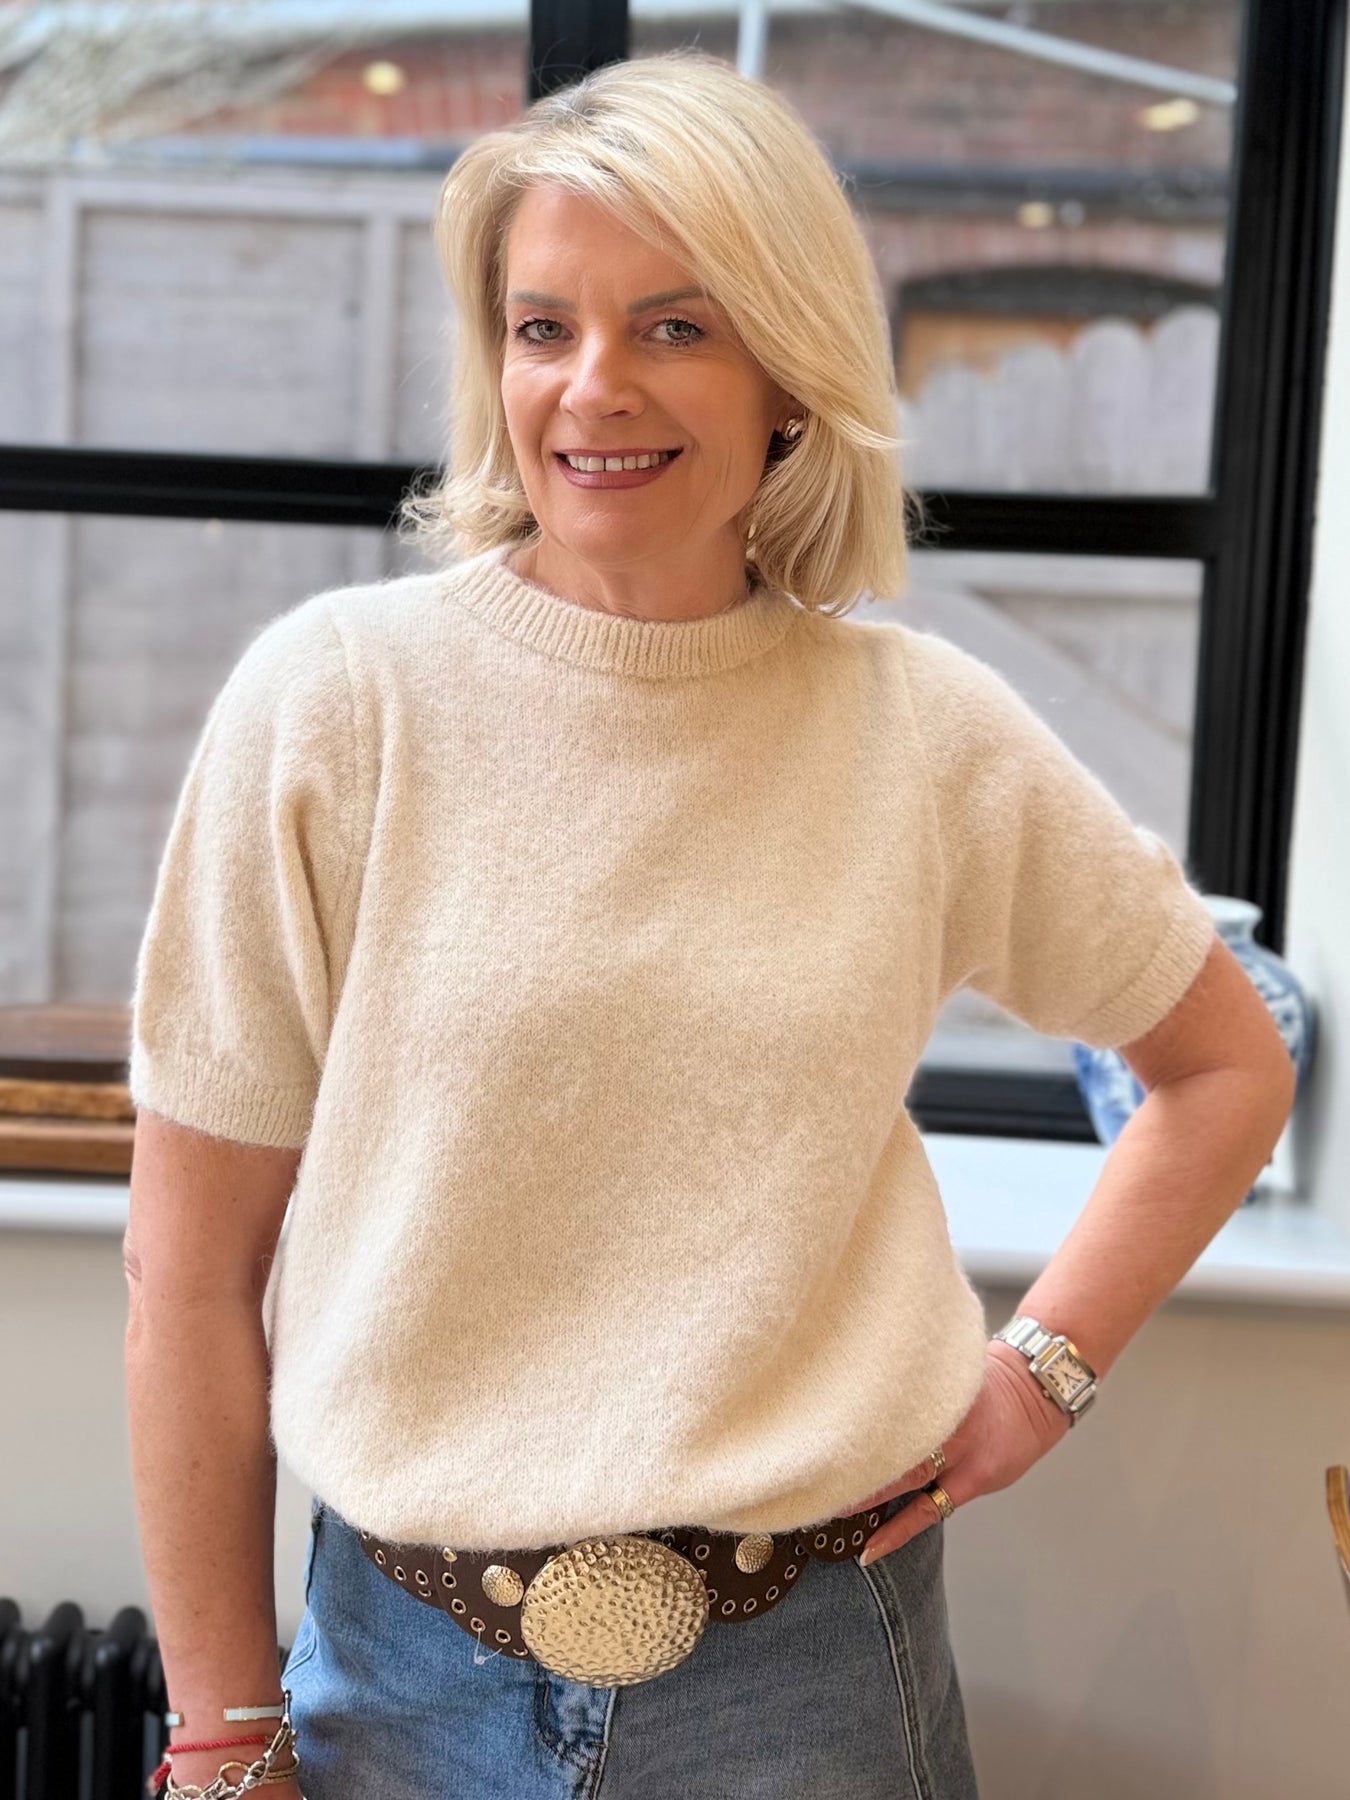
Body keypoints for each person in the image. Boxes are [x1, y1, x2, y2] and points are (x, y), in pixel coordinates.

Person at [122, 47, 1295, 1800]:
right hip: (396, 1690)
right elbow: (190, 1277)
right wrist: (224, 1732)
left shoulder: (924, 734)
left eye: (675, 326)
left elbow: (1221, 1062)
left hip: (817, 1689)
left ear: (789, 377)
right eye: (542, 327)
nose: (593, 387)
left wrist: (1038, 1375)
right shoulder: (335, 704)